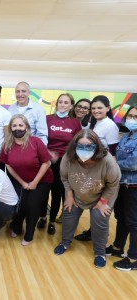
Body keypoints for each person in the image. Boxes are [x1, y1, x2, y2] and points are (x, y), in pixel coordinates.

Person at [54, 129, 121, 268]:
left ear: (96, 146)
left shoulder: (107, 160)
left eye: (89, 146)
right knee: (69, 215)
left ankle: (100, 253)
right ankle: (65, 243)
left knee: (100, 220)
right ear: (74, 146)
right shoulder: (68, 157)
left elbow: (113, 184)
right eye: (80, 145)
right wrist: (70, 196)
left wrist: (103, 202)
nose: (84, 149)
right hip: (77, 193)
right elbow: (64, 178)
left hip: (103, 195)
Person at [0, 114, 53, 246]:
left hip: (42, 180)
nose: (18, 128)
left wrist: (34, 183)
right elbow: (8, 165)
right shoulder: (7, 144)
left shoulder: (36, 142)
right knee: (19, 205)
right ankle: (17, 227)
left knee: (32, 205)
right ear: (11, 128)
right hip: (21, 180)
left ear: (27, 127)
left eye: (20, 125)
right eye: (14, 125)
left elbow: (47, 163)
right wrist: (23, 183)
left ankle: (29, 234)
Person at [74, 95, 120, 242]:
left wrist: (107, 173)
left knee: (101, 206)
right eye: (93, 108)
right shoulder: (94, 123)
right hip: (92, 169)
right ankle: (91, 232)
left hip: (103, 171)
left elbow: (113, 152)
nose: (96, 111)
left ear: (108, 108)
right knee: (94, 202)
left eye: (99, 108)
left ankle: (100, 239)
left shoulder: (110, 125)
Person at [37, 93, 81, 235]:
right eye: (60, 102)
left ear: (71, 105)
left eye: (66, 102)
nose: (62, 105)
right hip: (47, 159)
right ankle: (43, 216)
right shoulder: (48, 119)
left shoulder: (75, 123)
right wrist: (47, 153)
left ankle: (52, 221)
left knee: (57, 192)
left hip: (64, 162)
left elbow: (77, 143)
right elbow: (41, 137)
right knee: (43, 190)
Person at [106, 105, 137, 271]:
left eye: (135, 117)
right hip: (122, 184)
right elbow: (116, 155)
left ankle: (133, 258)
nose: (132, 119)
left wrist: (114, 163)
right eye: (130, 116)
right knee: (122, 218)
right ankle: (118, 248)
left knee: (134, 222)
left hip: (134, 186)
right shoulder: (126, 136)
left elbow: (133, 163)